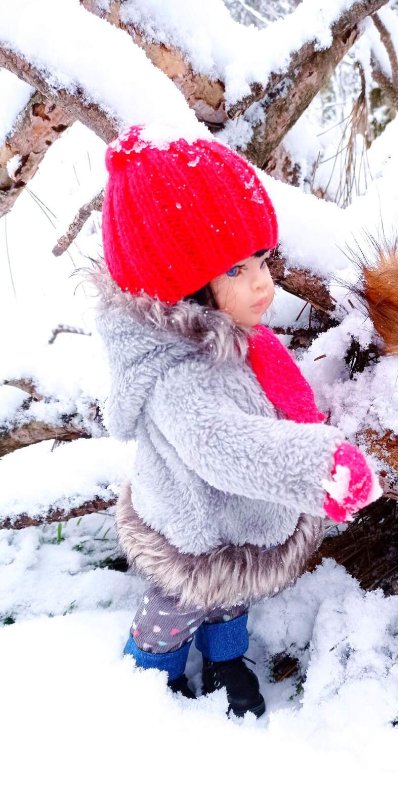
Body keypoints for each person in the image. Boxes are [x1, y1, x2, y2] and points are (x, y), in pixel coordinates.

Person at [93, 125, 381, 717]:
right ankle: (149, 678)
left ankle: (227, 659)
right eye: (235, 270)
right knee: (175, 609)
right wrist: (318, 466)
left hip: (237, 520)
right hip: (191, 527)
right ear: (183, 287)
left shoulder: (230, 340)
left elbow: (270, 400)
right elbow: (224, 445)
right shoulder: (179, 376)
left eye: (261, 260)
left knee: (230, 602)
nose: (262, 282)